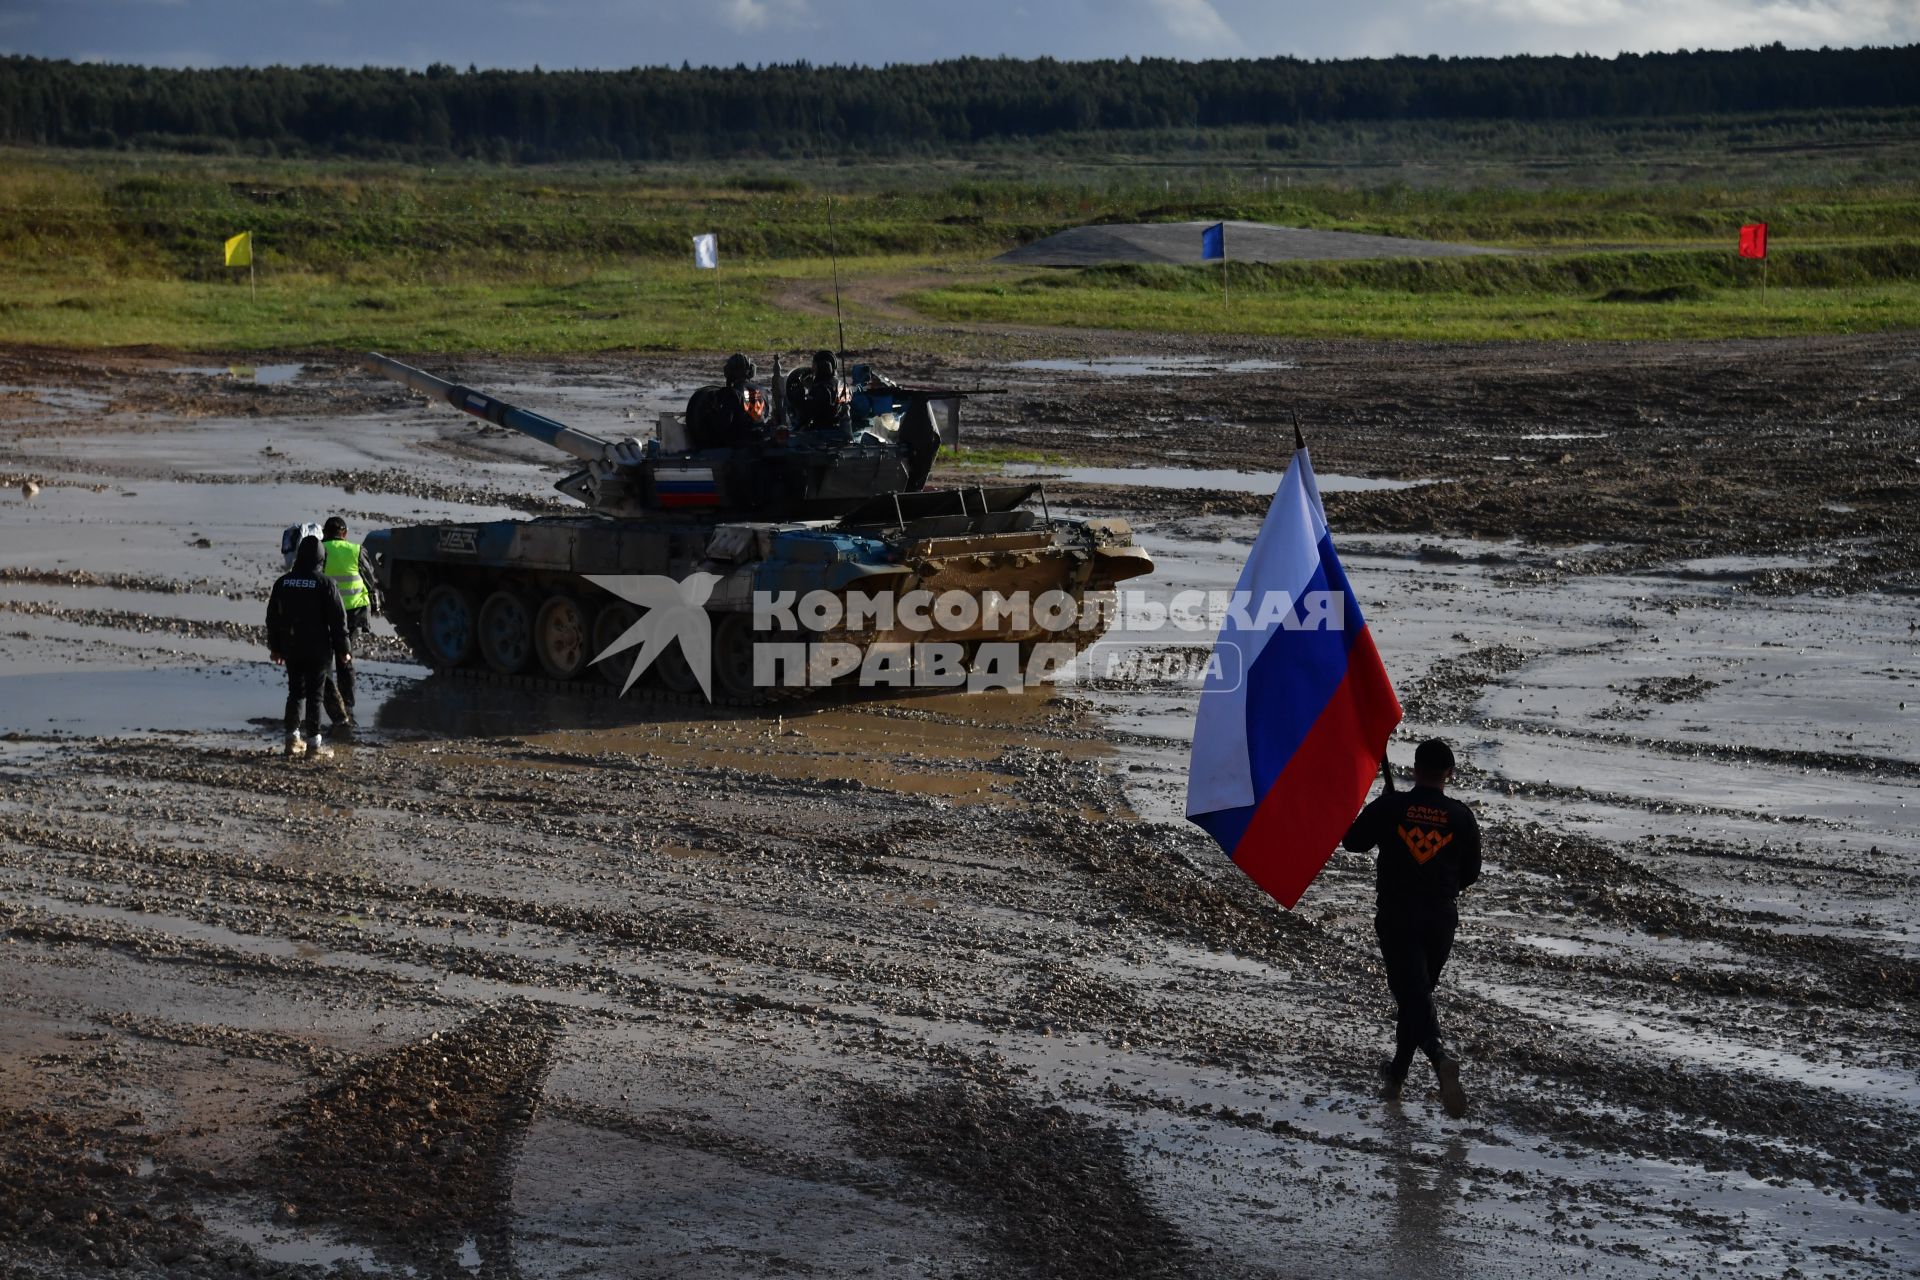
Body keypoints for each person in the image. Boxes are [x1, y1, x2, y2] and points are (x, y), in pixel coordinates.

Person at [1343, 737, 1482, 1118]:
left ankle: (1438, 1058)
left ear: (1415, 769)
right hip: (1440, 918)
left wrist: (1387, 814)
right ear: (1449, 775)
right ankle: (1396, 1077)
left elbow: (1352, 842)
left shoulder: (1393, 806)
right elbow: (1470, 873)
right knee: (1416, 996)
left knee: (1412, 997)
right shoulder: (1461, 816)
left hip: (1399, 915)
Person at [266, 535, 349, 758]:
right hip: (318, 650)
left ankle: (292, 740)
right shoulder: (326, 584)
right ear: (321, 559)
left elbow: (272, 618)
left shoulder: (283, 582)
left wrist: (275, 647)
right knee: (315, 696)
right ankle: (314, 746)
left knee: (295, 693)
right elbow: (338, 621)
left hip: (291, 648)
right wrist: (344, 650)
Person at [318, 515, 379, 727]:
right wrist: (374, 601)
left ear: (324, 533)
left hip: (325, 613)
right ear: (344, 534)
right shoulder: (356, 550)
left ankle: (329, 705)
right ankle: (349, 707)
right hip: (352, 613)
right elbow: (369, 578)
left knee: (324, 660)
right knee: (345, 658)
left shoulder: (319, 550)